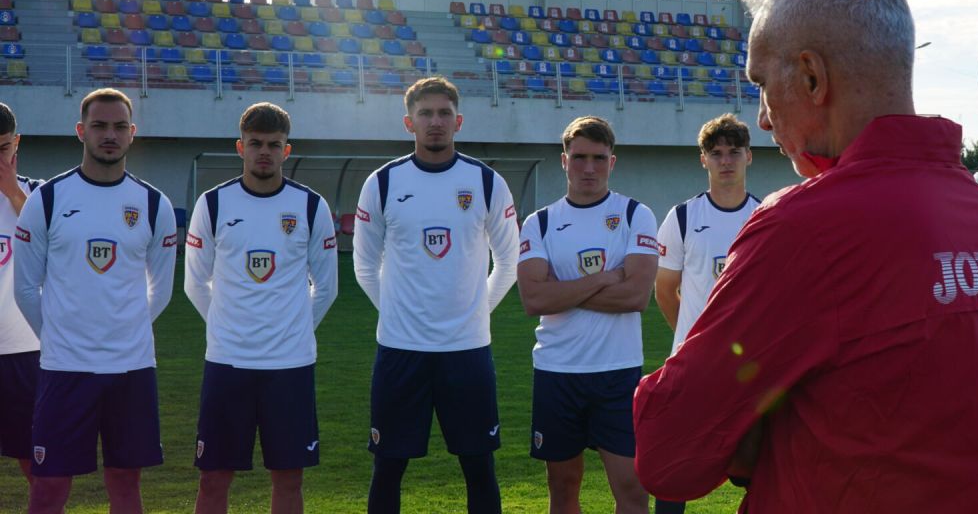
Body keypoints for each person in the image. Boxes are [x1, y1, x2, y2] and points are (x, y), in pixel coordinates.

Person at [632, 0, 978, 513]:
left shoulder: (804, 226)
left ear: (811, 77)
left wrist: (756, 430)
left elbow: (668, 451)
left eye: (762, 85)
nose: (763, 118)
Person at [354, 76, 520, 514]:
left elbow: (509, 261)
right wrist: (397, 313)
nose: (435, 122)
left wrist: (477, 312)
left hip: (467, 350)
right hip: (400, 350)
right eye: (425, 113)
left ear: (458, 121)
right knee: (388, 466)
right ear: (409, 122)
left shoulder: (485, 182)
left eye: (444, 113)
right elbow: (364, 265)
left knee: (479, 466)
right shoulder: (382, 182)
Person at [13, 88, 178, 514]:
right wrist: (57, 338)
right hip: (65, 369)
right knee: (48, 487)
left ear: (132, 133)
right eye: (99, 125)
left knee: (125, 484)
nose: (110, 135)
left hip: (132, 369)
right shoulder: (47, 199)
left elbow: (161, 288)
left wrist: (127, 331)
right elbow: (25, 287)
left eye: (119, 126)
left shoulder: (153, 204)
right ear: (80, 131)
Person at [184, 102, 339, 514]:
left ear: (286, 150)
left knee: (289, 478)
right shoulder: (213, 204)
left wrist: (293, 330)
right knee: (213, 478)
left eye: (273, 144)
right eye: (255, 143)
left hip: (290, 365)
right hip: (227, 363)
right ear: (241, 147)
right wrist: (228, 327)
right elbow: (195, 283)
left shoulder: (310, 206)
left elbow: (326, 287)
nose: (264, 152)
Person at [516, 116, 659, 514]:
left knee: (632, 489)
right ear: (564, 161)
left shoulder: (635, 215)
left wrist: (561, 290)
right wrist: (605, 278)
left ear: (612, 162)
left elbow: (636, 296)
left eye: (598, 158)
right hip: (557, 371)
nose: (589, 168)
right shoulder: (540, 222)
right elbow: (533, 299)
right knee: (563, 487)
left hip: (618, 371)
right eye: (579, 157)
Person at [652, 113, 760, 514]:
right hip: (693, 366)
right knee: (674, 468)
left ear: (749, 156)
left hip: (750, 367)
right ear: (703, 160)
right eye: (716, 153)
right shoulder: (682, 217)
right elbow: (665, 290)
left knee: (758, 470)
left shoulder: (766, 216)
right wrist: (693, 342)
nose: (726, 161)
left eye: (734, 152)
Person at [0, 103, 42, 501]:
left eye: (2, 149)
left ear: (17, 143)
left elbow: (55, 247)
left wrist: (13, 193)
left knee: (37, 467)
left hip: (24, 349)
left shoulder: (38, 195)